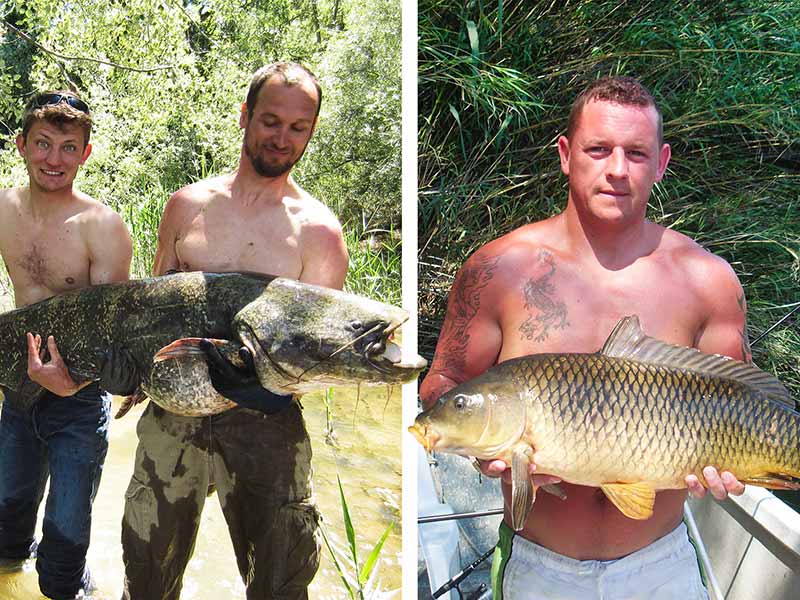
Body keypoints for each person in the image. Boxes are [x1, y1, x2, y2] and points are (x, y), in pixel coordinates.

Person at [419, 76, 749, 600]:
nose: (617, 169)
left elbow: (745, 407)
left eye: (636, 153)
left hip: (660, 567)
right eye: (599, 149)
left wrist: (730, 472)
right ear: (567, 155)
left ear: (661, 163)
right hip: (537, 566)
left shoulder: (707, 281)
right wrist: (479, 447)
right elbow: (445, 381)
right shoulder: (499, 268)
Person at [120, 62, 348, 600]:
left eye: (299, 127)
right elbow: (151, 312)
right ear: (245, 116)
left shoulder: (319, 232)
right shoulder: (187, 206)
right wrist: (128, 374)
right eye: (271, 120)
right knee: (147, 571)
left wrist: (268, 391)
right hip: (173, 415)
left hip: (267, 422)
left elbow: (322, 353)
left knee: (280, 579)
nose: (282, 138)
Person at [0, 91, 133, 599]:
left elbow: (113, 329)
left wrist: (73, 380)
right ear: (22, 145)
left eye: (68, 147)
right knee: (7, 533)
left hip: (78, 400)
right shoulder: (6, 208)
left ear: (86, 153)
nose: (54, 159)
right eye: (43, 144)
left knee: (64, 545)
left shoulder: (102, 227)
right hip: (17, 392)